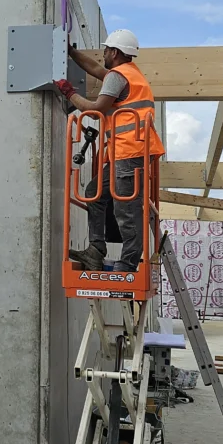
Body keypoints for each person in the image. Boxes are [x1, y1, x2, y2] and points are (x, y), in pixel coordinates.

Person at [55, 29, 165, 272]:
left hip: (129, 150)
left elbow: (97, 108)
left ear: (114, 52)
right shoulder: (127, 73)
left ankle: (128, 264)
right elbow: (95, 69)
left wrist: (69, 93)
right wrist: (72, 53)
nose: (103, 53)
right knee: (95, 192)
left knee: (126, 208)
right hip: (125, 152)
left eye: (106, 50)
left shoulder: (118, 77)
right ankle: (96, 250)